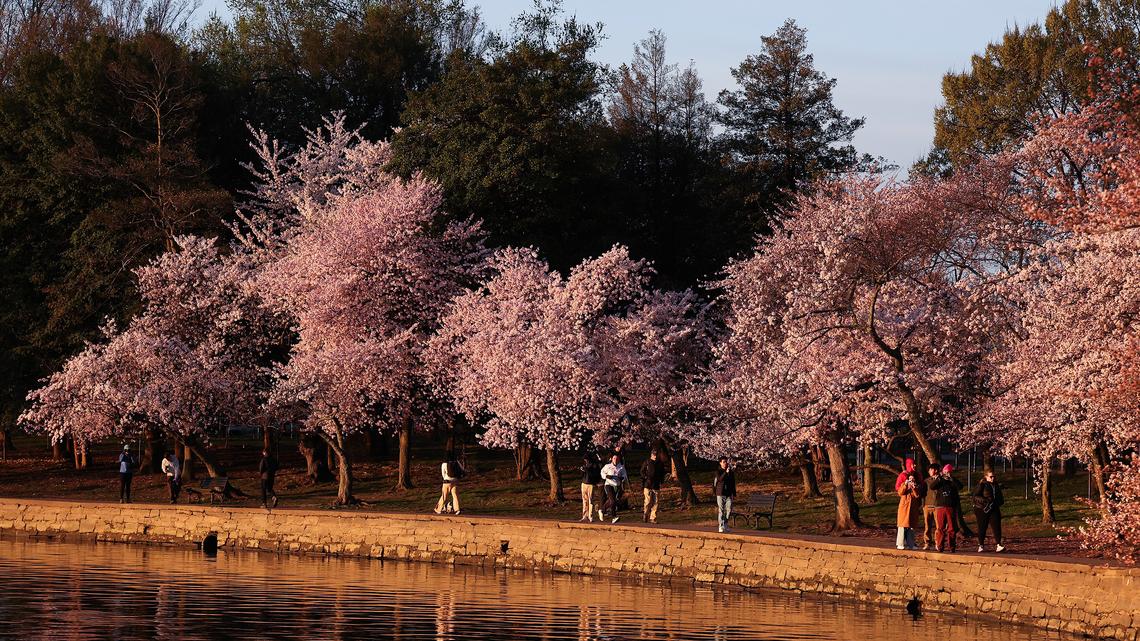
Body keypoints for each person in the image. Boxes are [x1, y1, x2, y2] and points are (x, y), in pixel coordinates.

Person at [926, 464, 962, 552]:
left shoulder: (952, 481)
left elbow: (960, 487)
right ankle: (940, 546)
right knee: (940, 528)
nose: (947, 473)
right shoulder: (940, 481)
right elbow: (932, 486)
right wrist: (940, 478)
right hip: (940, 507)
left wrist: (952, 479)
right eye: (945, 472)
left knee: (951, 528)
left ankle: (952, 547)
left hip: (950, 507)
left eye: (948, 472)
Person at [973, 470, 1006, 552]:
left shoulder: (996, 485)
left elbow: (1000, 498)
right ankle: (981, 545)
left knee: (997, 527)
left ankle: (999, 544)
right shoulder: (982, 485)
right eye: (991, 477)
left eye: (994, 476)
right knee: (982, 527)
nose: (993, 478)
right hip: (982, 509)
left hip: (994, 508)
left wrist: (998, 502)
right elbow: (975, 496)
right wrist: (985, 501)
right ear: (986, 477)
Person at [896, 468, 922, 550]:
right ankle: (900, 543)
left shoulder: (916, 486)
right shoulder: (904, 484)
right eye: (910, 478)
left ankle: (911, 544)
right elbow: (900, 492)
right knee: (902, 526)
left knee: (911, 527)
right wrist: (905, 485)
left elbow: (917, 495)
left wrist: (914, 487)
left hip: (912, 509)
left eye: (912, 479)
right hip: (904, 508)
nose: (911, 480)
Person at [640, 450, 666, 523]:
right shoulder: (647, 462)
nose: (655, 456)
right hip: (648, 484)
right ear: (651, 455)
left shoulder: (660, 463)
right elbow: (642, 471)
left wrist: (662, 481)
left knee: (656, 502)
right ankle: (645, 513)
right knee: (648, 501)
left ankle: (653, 518)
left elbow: (662, 473)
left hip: (656, 485)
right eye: (654, 455)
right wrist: (645, 477)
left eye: (656, 455)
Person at [600, 454, 627, 524]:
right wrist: (606, 476)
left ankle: (602, 510)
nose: (616, 460)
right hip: (609, 485)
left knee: (611, 500)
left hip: (616, 486)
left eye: (617, 458)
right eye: (614, 458)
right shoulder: (608, 466)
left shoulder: (621, 467)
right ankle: (614, 517)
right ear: (612, 459)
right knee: (613, 500)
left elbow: (624, 475)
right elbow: (602, 472)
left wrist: (622, 478)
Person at [713, 457, 736, 533]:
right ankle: (721, 526)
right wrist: (725, 472)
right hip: (720, 493)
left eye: (726, 462)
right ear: (720, 463)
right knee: (721, 510)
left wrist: (734, 494)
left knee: (729, 510)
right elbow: (720, 479)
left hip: (728, 494)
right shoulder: (718, 471)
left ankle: (725, 524)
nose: (725, 463)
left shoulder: (730, 472)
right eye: (723, 462)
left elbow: (733, 483)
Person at [579, 454, 602, 522]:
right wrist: (582, 471)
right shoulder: (585, 465)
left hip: (591, 484)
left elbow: (594, 474)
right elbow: (582, 475)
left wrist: (587, 470)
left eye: (586, 459)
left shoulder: (594, 465)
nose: (585, 461)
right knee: (584, 500)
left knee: (590, 500)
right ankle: (584, 515)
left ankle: (590, 515)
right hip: (584, 483)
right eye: (584, 460)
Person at [921, 463, 939, 550]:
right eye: (929, 470)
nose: (930, 471)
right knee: (927, 526)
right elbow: (923, 494)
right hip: (927, 506)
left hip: (937, 506)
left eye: (931, 470)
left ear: (936, 470)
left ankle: (937, 543)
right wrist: (923, 505)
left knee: (938, 526)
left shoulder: (940, 480)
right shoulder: (926, 481)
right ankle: (927, 542)